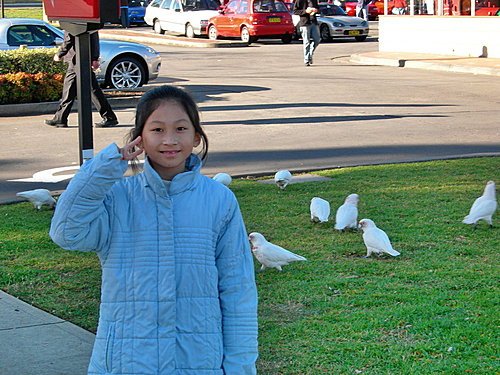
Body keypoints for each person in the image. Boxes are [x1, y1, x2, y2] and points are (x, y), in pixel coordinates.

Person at [49, 85, 259, 374]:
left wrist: (240, 367)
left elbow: (238, 290)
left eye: (181, 128)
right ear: (140, 137)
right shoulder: (117, 197)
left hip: (198, 361)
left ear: (196, 136)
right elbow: (66, 233)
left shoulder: (218, 200)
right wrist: (107, 165)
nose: (170, 140)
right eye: (157, 130)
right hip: (126, 361)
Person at [45, 30, 119, 128]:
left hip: (76, 59)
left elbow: (69, 39)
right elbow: (94, 37)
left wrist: (60, 53)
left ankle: (61, 118)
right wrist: (94, 58)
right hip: (83, 57)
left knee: (73, 89)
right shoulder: (88, 20)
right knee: (85, 89)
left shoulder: (70, 19)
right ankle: (61, 117)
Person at [294, 0, 320, 66]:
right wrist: (305, 11)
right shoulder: (299, 1)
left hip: (313, 22)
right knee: (306, 42)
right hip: (305, 23)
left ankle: (310, 54)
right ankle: (306, 60)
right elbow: (295, 11)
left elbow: (319, 9)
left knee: (317, 39)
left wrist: (316, 10)